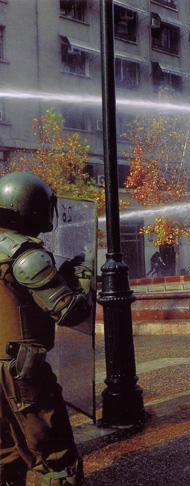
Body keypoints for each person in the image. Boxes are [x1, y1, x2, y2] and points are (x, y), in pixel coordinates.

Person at [0, 172, 92, 486]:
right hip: (22, 373)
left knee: (6, 451)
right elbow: (69, 311)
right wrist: (83, 282)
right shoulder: (26, 255)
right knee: (56, 458)